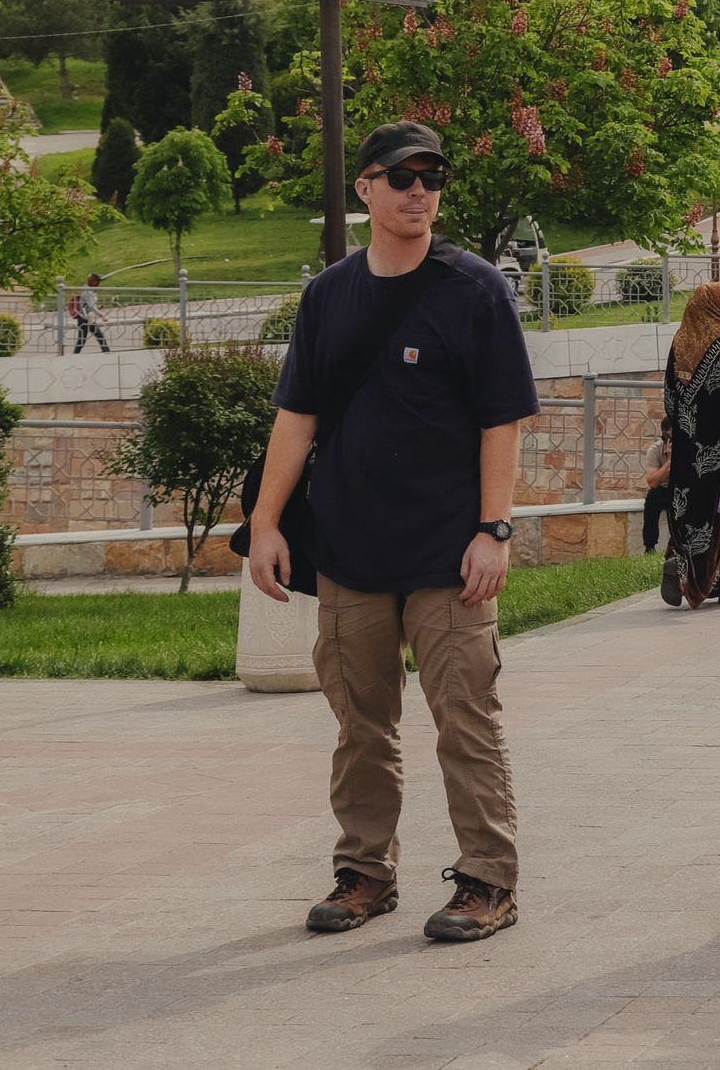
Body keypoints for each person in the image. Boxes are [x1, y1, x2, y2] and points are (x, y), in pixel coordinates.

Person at [245, 120, 539, 943]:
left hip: (451, 552)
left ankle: (488, 879)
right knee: (360, 722)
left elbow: (502, 422)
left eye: (433, 176)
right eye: (402, 175)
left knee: (464, 717)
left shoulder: (475, 289)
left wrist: (495, 528)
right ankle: (364, 872)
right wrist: (265, 522)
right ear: (365, 188)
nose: (420, 189)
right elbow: (296, 416)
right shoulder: (328, 297)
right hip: (348, 546)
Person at [644, 282, 720, 609]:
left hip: (688, 450)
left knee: (693, 513)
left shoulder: (682, 341)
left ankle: (684, 567)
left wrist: (685, 436)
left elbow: (670, 401)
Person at [72, 273, 108, 353]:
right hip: (85, 318)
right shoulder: (87, 291)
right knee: (83, 340)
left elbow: (89, 304)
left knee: (87, 338)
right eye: (97, 282)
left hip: (87, 317)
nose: (98, 284)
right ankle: (107, 352)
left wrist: (97, 306)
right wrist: (102, 316)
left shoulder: (89, 289)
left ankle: (106, 352)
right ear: (93, 282)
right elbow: (91, 305)